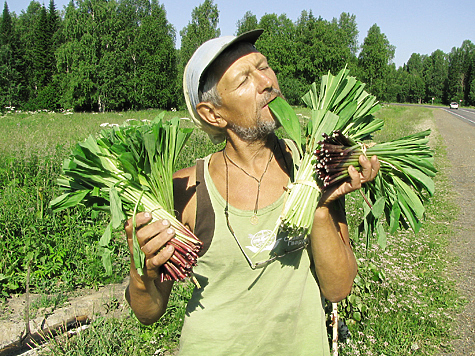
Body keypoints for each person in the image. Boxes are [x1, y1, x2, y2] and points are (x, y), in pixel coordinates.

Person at [125, 29, 380, 355]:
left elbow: (338, 287)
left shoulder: (314, 167)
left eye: (264, 66)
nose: (266, 82)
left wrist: (321, 207)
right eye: (244, 79)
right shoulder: (186, 190)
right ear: (213, 114)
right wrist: (145, 271)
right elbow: (148, 311)